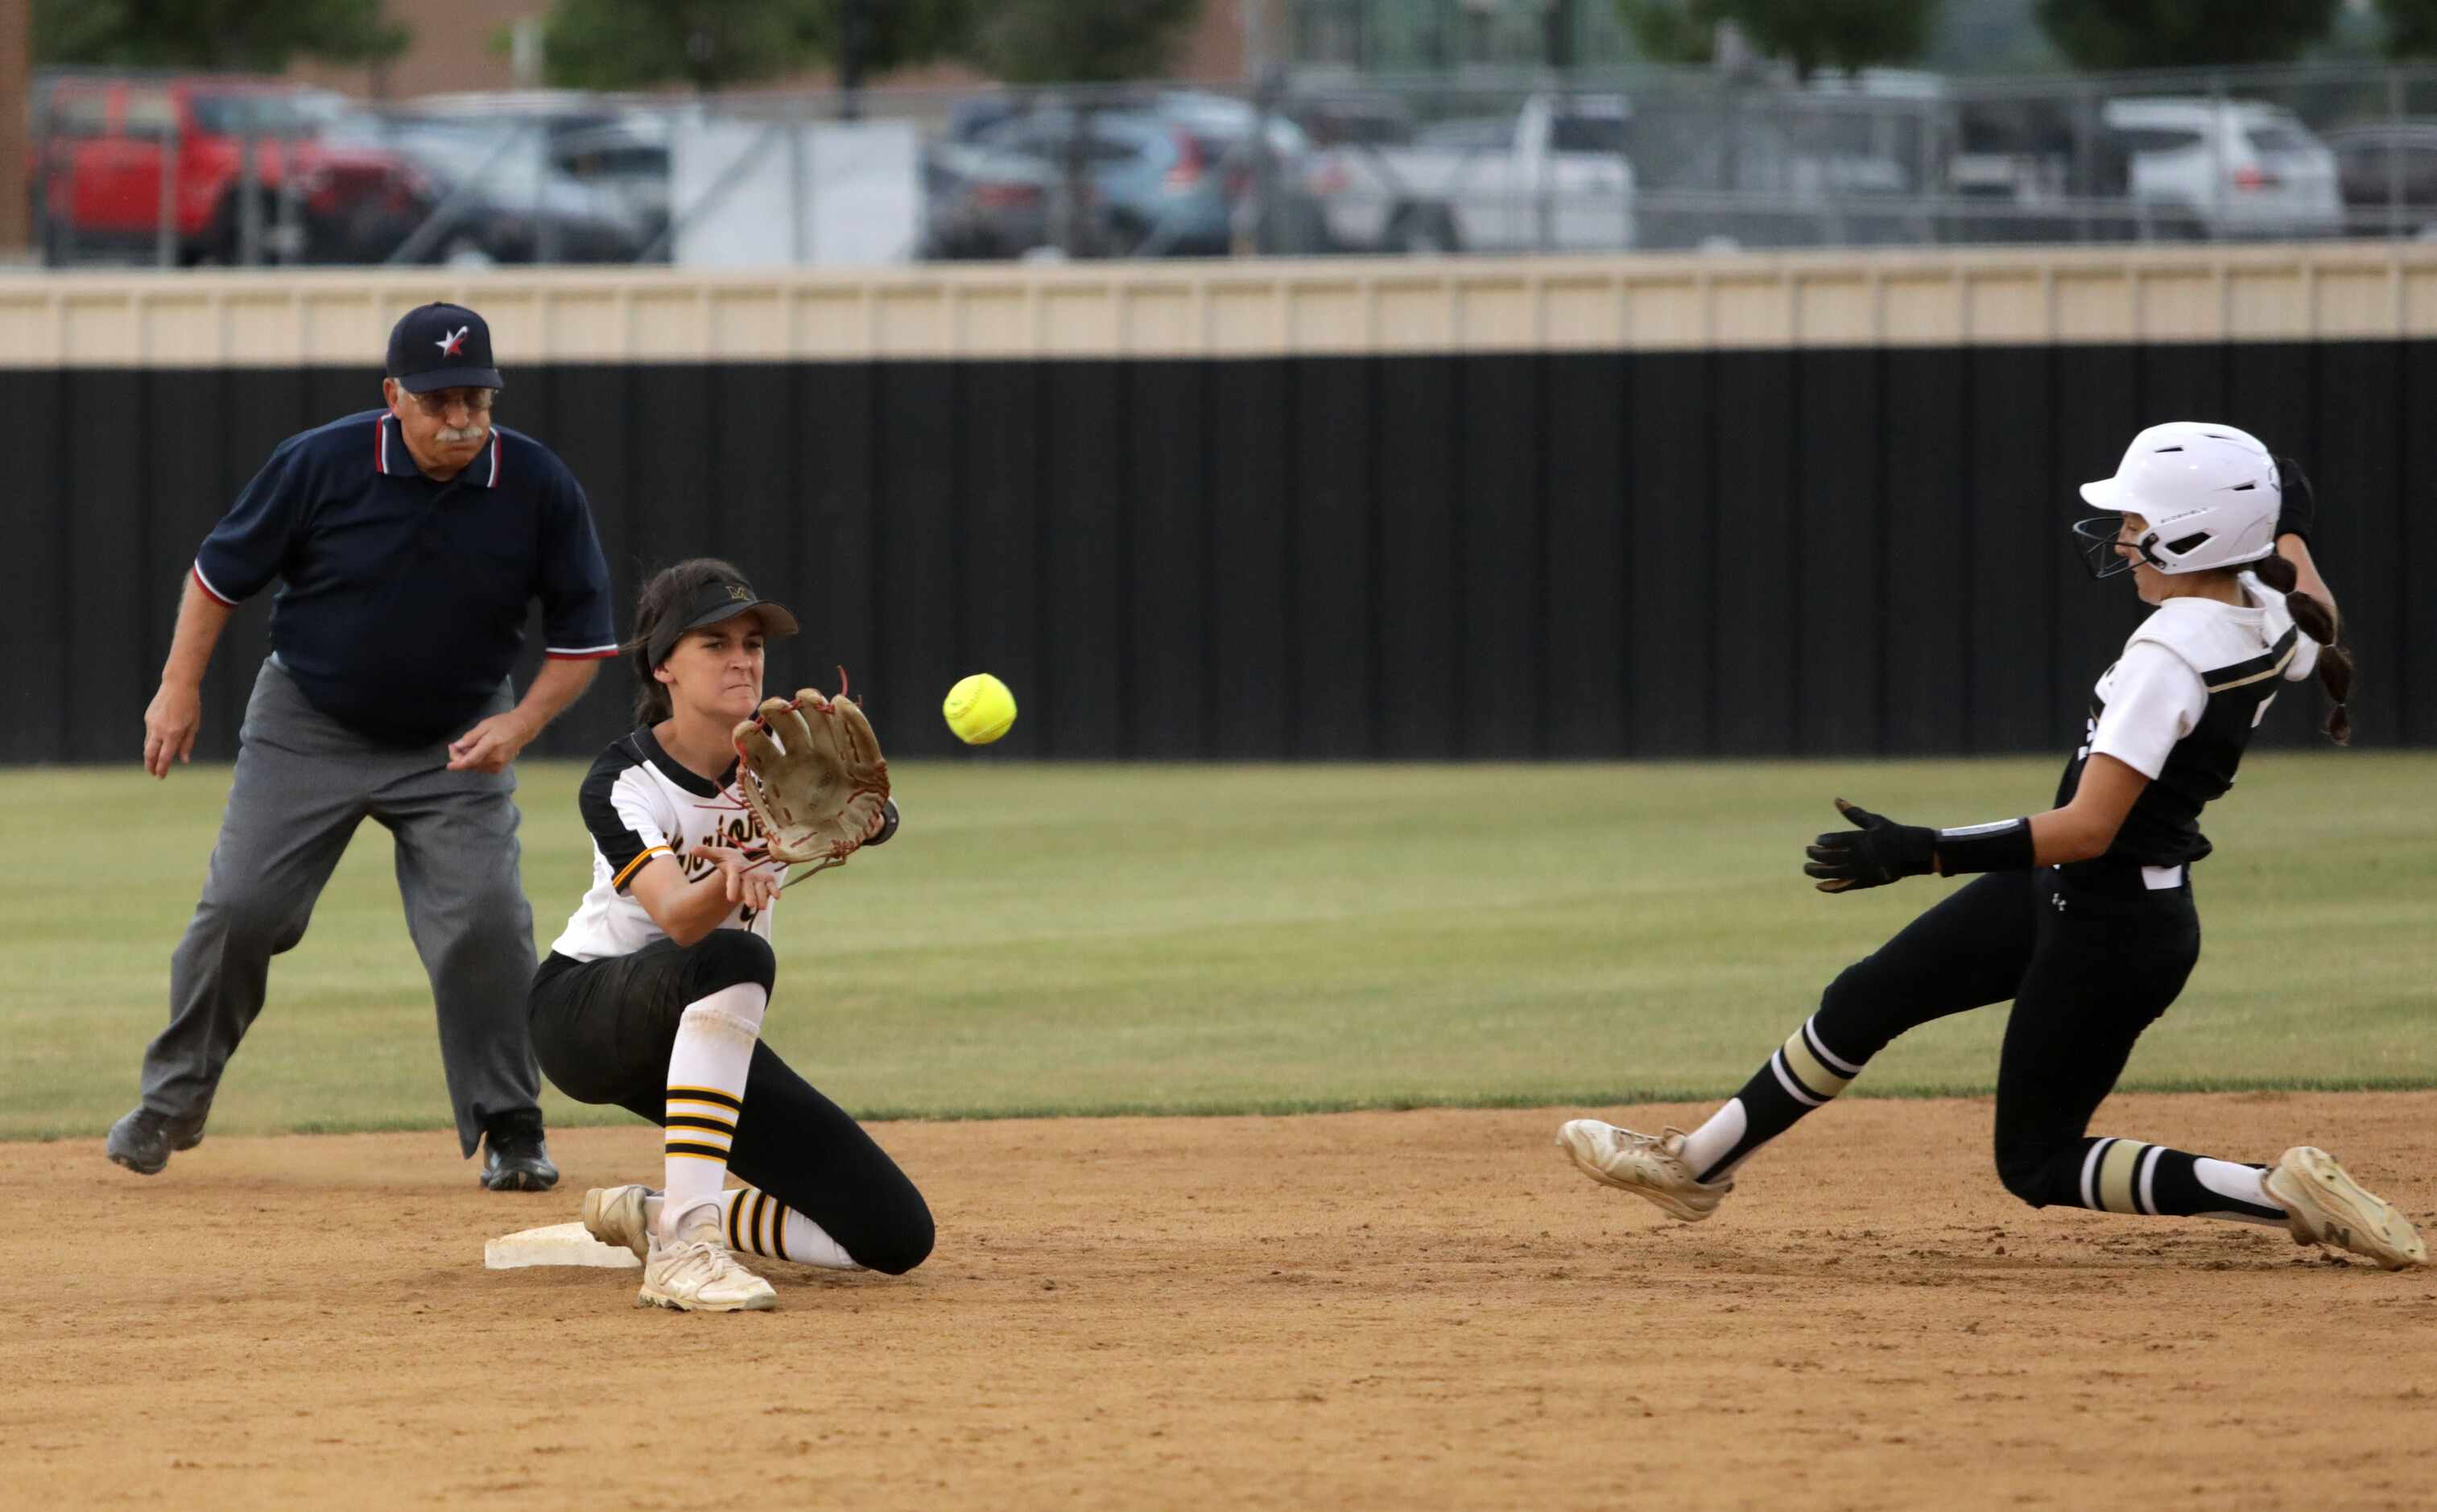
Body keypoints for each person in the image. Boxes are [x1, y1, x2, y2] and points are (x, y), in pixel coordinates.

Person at [1559, 422, 2425, 1270]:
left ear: (2192, 531)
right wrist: (2291, 523)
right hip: (2087, 896)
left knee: (2037, 1162)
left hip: (2111, 925)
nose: (2124, 540)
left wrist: (1922, 849)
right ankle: (1695, 1168)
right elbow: (2315, 604)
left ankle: (2275, 1195)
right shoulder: (2269, 613)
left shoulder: (2169, 654)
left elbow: (2090, 826)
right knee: (1867, 997)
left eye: (2136, 522)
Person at [109, 303, 617, 1192]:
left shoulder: (536, 483)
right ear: (394, 396)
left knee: (485, 923)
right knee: (240, 910)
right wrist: (177, 686)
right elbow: (218, 574)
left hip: (458, 733)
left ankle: (512, 1125)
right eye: (440, 399)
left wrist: (520, 724)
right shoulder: (322, 462)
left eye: (476, 398)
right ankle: (172, 1101)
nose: (461, 417)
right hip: (310, 719)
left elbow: (583, 642)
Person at [529, 557, 933, 1312]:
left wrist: (868, 814)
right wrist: (744, 866)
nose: (742, 658)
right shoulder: (624, 780)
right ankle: (685, 1248)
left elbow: (875, 812)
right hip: (586, 1013)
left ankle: (655, 1214)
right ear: (663, 666)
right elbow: (680, 920)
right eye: (714, 643)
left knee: (892, 1235)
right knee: (734, 953)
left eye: (752, 642)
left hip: (707, 1029)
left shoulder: (783, 759)